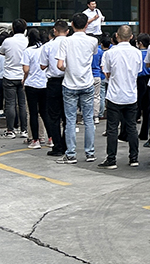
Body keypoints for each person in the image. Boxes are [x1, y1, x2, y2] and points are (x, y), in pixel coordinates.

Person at [56, 13, 100, 165]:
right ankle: (90, 153)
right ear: (87, 25)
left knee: (70, 120)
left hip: (69, 84)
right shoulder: (93, 41)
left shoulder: (66, 41)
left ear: (72, 25)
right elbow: (93, 55)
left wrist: (68, 69)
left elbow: (60, 65)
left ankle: (71, 154)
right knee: (88, 119)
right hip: (87, 83)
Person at [99, 25, 143, 170]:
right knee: (131, 127)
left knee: (112, 128)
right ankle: (134, 158)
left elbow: (107, 73)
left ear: (117, 36)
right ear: (131, 37)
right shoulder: (137, 53)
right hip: (131, 94)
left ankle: (111, 159)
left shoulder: (110, 53)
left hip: (115, 94)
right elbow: (138, 71)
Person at [41, 21, 70, 156]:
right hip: (69, 81)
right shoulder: (71, 44)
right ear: (67, 31)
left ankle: (57, 146)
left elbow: (42, 65)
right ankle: (67, 144)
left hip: (53, 82)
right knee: (68, 116)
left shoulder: (47, 46)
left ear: (54, 31)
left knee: (53, 116)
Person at [0, 19, 30, 139]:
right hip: (24, 76)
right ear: (25, 29)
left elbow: (1, 52)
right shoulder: (27, 41)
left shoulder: (8, 41)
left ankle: (10, 130)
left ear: (12, 29)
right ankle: (24, 130)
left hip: (9, 76)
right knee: (22, 104)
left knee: (10, 104)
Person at [23, 29, 50, 149]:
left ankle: (35, 140)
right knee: (45, 112)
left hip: (31, 84)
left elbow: (26, 70)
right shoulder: (45, 48)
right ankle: (51, 138)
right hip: (44, 83)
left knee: (33, 113)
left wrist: (24, 79)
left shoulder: (28, 51)